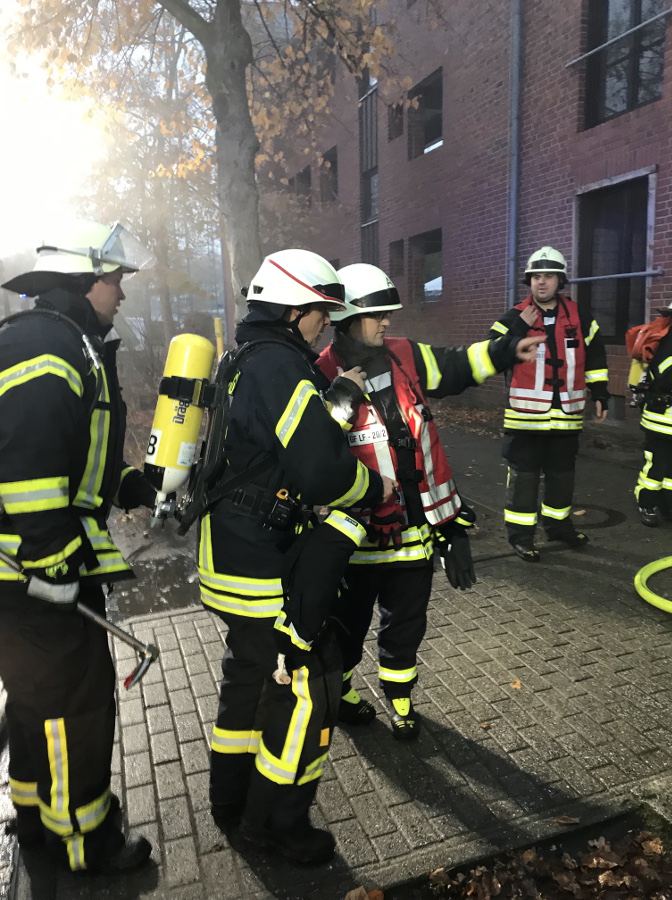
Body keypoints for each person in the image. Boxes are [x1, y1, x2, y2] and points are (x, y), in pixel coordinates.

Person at [199, 250, 391, 865]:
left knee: (248, 679)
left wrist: (334, 397)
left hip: (224, 557)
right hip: (261, 565)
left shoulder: (242, 359)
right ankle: (276, 823)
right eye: (319, 314)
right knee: (310, 686)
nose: (323, 327)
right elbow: (320, 469)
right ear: (294, 310)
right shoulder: (282, 366)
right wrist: (374, 489)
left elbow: (282, 445)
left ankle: (229, 802)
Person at [316, 263, 543, 740]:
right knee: (346, 629)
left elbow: (458, 365)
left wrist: (505, 352)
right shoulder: (319, 375)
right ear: (347, 317)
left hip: (412, 538)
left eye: (388, 314)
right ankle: (343, 692)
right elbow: (312, 452)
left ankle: (400, 701)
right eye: (378, 315)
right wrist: (339, 400)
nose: (387, 323)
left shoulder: (403, 355)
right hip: (353, 544)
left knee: (405, 630)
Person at [0, 220, 157, 873]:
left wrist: (130, 485)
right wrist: (53, 563)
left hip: (24, 573)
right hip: (34, 573)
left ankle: (35, 817)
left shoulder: (56, 339)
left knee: (36, 697)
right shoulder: (49, 345)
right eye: (115, 279)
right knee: (76, 704)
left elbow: (71, 460)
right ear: (86, 277)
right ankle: (86, 842)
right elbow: (31, 467)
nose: (121, 293)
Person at [488, 246, 609, 561]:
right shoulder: (515, 315)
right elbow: (491, 352)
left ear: (560, 280)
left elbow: (595, 355)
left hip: (567, 418)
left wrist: (601, 393)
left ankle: (558, 528)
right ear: (529, 281)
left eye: (549, 276)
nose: (541, 282)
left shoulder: (579, 316)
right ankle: (521, 536)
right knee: (524, 480)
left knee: (561, 478)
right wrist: (517, 328)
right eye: (536, 277)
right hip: (525, 419)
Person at [629, 298, 672, 526]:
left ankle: (669, 505)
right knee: (656, 465)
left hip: (667, 415)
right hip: (661, 416)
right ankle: (646, 503)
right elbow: (666, 372)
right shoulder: (667, 341)